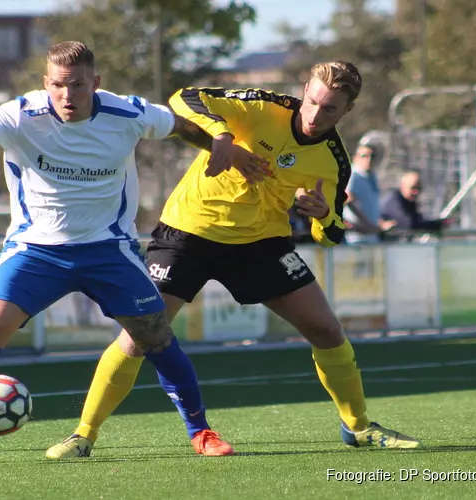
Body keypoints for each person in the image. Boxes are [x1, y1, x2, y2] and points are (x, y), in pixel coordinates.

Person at [0, 41, 267, 467]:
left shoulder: (127, 113)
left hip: (108, 250)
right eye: (57, 86)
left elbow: (182, 126)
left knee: (155, 336)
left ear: (96, 82)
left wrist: (222, 144)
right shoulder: (19, 114)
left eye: (77, 86)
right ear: (45, 83)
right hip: (34, 250)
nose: (66, 96)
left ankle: (201, 432)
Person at [46, 61, 421, 460]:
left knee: (327, 330)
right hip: (190, 232)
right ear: (303, 91)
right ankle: (83, 436)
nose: (315, 114)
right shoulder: (261, 106)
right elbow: (184, 98)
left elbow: (332, 236)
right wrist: (222, 134)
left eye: (329, 109)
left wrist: (321, 214)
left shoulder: (334, 159)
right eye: (311, 101)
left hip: (261, 243)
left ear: (347, 111)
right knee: (141, 335)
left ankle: (358, 427)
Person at [343, 142, 396, 243]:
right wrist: (367, 224)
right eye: (364, 156)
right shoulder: (352, 175)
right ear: (355, 158)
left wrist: (380, 223)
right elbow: (348, 199)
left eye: (372, 156)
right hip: (357, 237)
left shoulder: (371, 176)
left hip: (371, 235)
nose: (369, 159)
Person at [380, 169, 449, 235]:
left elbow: (418, 222)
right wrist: (438, 224)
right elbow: (409, 225)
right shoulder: (393, 203)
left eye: (419, 188)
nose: (416, 192)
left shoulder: (409, 201)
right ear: (402, 186)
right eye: (413, 188)